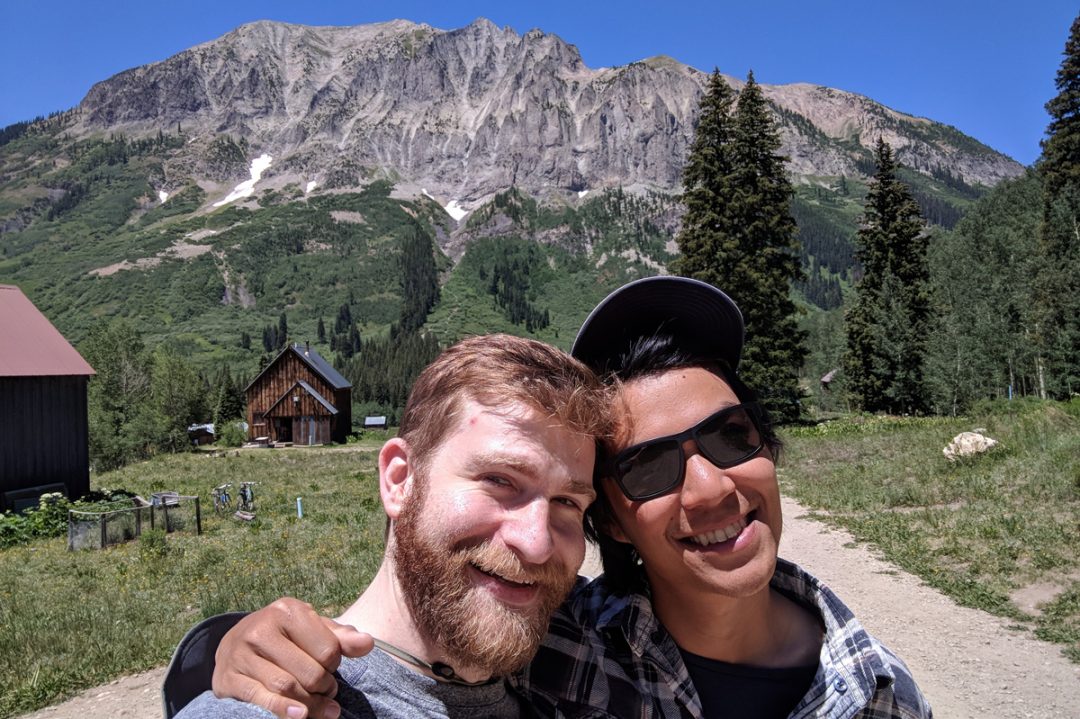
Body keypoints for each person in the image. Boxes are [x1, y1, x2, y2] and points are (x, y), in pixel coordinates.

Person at [176, 277, 933, 719]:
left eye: (732, 437)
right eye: (649, 468)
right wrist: (226, 649)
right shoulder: (570, 648)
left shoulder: (881, 691)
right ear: (618, 522)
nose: (710, 488)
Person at [169, 334, 614, 718]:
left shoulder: (564, 673)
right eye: (499, 480)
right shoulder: (279, 703)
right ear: (400, 481)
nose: (536, 543)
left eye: (567, 502)